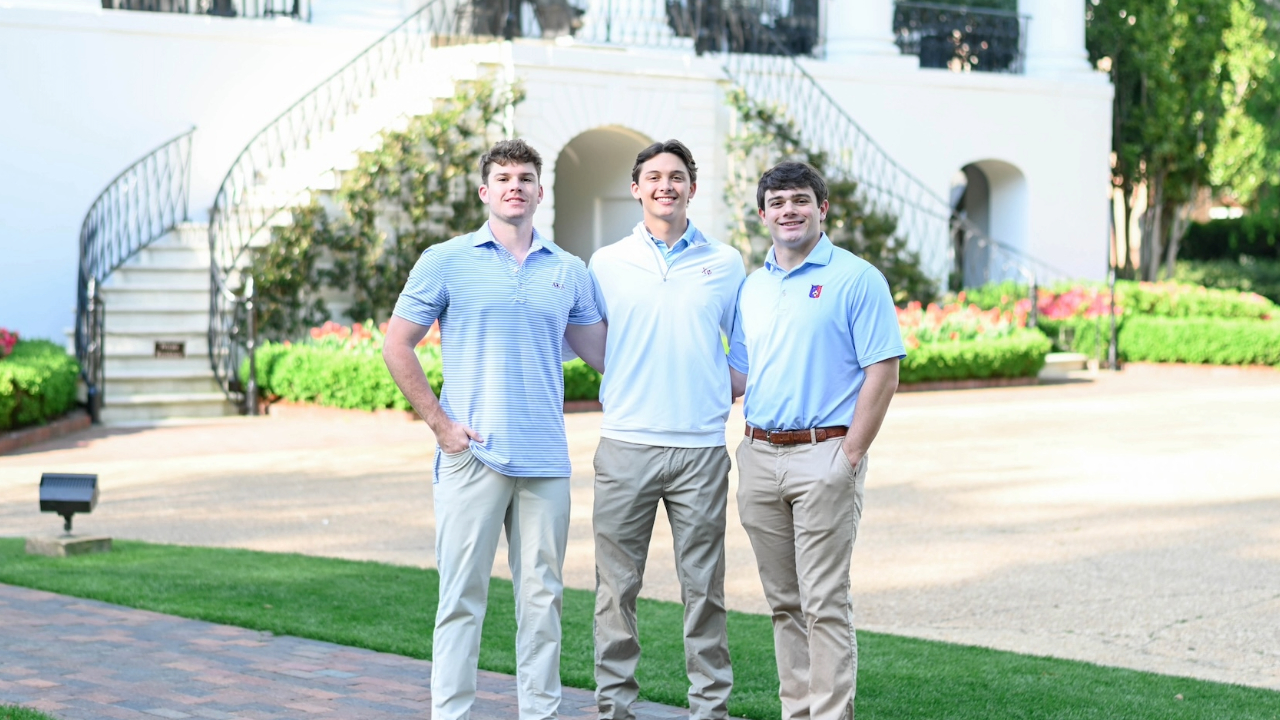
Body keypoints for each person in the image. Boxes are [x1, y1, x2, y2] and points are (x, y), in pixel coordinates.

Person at [382, 138, 607, 720]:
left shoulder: (570, 270)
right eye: (503, 177)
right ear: (485, 192)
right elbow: (397, 344)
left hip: (544, 462)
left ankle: (540, 713)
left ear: (539, 190)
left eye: (526, 177)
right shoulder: (445, 259)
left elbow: (606, 355)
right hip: (471, 456)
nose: (515, 185)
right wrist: (440, 425)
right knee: (461, 598)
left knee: (543, 600)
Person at [727, 161, 905, 720]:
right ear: (763, 215)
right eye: (777, 204)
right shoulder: (752, 288)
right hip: (758, 457)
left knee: (824, 603)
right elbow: (738, 375)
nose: (789, 212)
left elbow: (884, 371)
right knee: (785, 604)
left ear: (821, 209)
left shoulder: (857, 278)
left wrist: (849, 453)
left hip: (824, 455)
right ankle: (796, 713)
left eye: (800, 200)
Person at [587, 139, 746, 720]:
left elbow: (746, 339)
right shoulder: (605, 262)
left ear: (692, 188)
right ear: (636, 188)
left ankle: (710, 709)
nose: (665, 186)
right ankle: (614, 708)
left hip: (701, 450)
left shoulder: (726, 262)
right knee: (615, 589)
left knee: (704, 591)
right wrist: (626, 370)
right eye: (653, 177)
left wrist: (724, 381)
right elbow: (585, 332)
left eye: (676, 176)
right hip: (626, 444)